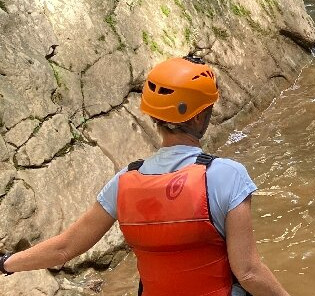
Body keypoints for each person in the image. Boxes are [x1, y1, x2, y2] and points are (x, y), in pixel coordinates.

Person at [0, 56, 292, 296]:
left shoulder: (123, 182)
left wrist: (6, 264)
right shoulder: (227, 175)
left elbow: (64, 249)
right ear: (199, 116)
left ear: (154, 117)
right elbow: (250, 272)